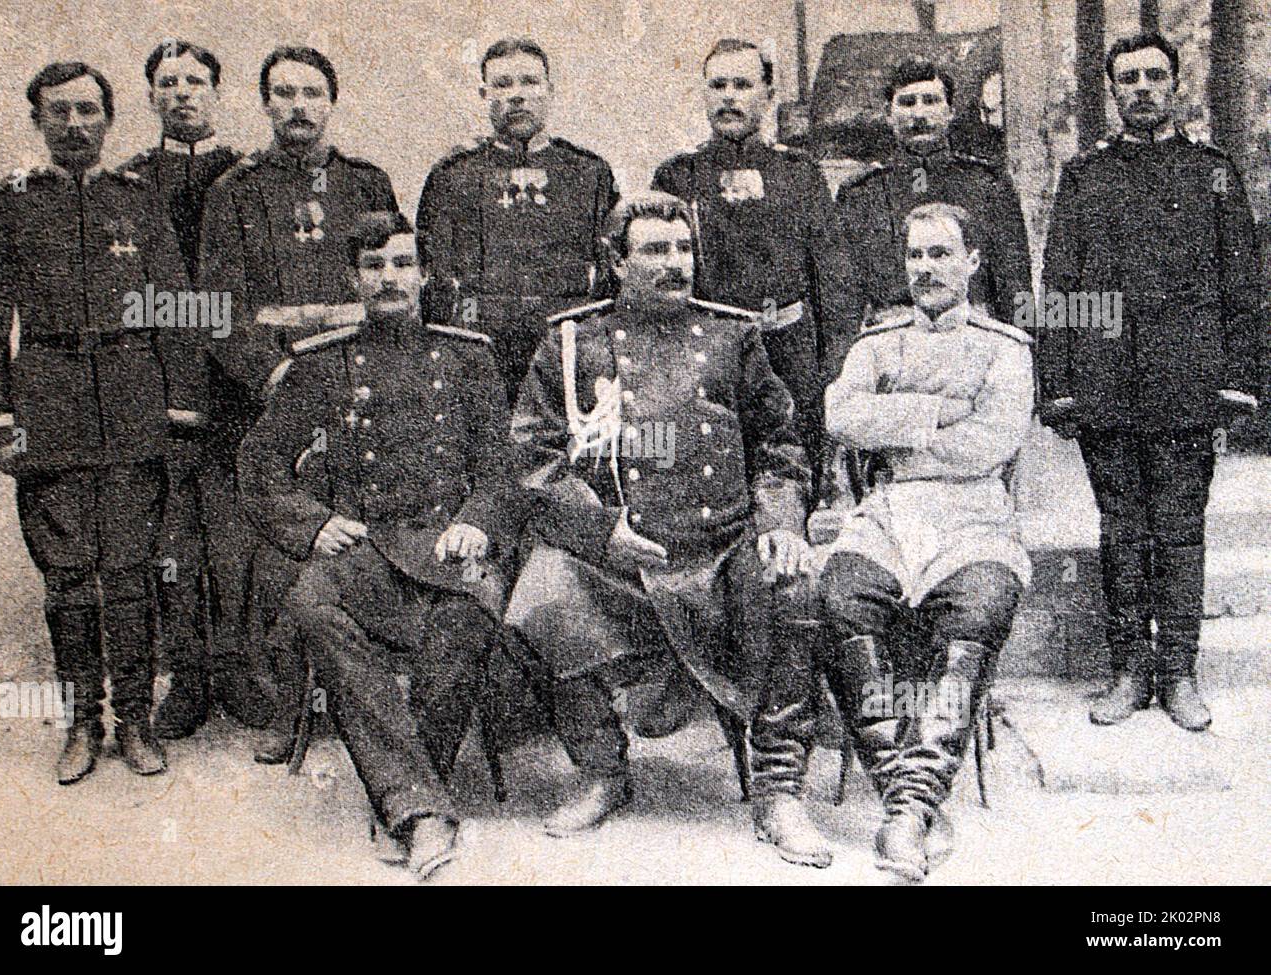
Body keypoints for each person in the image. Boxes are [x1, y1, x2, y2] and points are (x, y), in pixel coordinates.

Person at [505, 192, 818, 854]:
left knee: (791, 586)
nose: (675, 263)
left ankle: (779, 789)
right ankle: (602, 771)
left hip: (725, 547)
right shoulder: (571, 342)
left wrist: (782, 522)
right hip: (620, 556)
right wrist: (599, 531)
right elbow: (533, 461)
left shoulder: (734, 335)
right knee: (542, 588)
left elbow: (781, 447)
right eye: (654, 250)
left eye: (682, 248)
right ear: (616, 261)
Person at [759, 202, 1034, 881]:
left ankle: (907, 808)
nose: (926, 269)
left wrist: (899, 432)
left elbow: (992, 441)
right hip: (885, 513)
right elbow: (841, 415)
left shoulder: (1006, 349)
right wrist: (941, 412)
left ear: (973, 262)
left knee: (980, 606)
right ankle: (905, 798)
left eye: (941, 254)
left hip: (974, 518)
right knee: (839, 597)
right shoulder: (875, 344)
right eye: (915, 256)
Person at [239, 211, 512, 879]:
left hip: (448, 545)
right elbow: (259, 461)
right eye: (373, 265)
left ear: (424, 275)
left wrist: (477, 518)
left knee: (469, 614)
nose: (389, 278)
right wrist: (310, 524)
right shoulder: (321, 365)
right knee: (313, 606)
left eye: (401, 263)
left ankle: (407, 801)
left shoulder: (468, 356)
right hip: (363, 550)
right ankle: (421, 809)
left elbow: (505, 468)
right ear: (353, 278)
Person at [0, 62, 194, 782]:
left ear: (109, 118)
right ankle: (80, 724)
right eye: (59, 111)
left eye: (89, 110)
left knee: (130, 569)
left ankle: (134, 721)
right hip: (48, 400)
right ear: (36, 119)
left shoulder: (139, 198)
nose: (75, 124)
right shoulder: (9, 205)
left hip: (132, 397)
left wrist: (181, 405)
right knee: (66, 576)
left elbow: (177, 308)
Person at [1038, 32, 1262, 731]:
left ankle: (1181, 674)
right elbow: (1061, 284)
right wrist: (1060, 383)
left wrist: (1238, 380)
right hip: (1106, 381)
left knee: (1180, 531)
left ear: (1175, 86)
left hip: (1186, 382)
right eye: (1128, 78)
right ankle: (1129, 670)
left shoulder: (1213, 172)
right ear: (1111, 92)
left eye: (1154, 76)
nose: (1141, 88)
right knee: (1121, 531)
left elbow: (1243, 286)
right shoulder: (1085, 176)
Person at [197, 46, 400, 759]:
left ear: (332, 101)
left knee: (362, 537)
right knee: (281, 547)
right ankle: (291, 704)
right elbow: (214, 306)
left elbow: (393, 282)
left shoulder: (365, 181)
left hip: (357, 390)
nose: (298, 106)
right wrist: (274, 375)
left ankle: (366, 697)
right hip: (276, 392)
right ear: (264, 105)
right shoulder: (235, 189)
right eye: (282, 93)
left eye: (312, 92)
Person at [117, 39, 261, 738]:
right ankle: (188, 678)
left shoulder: (248, 177)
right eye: (167, 83)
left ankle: (241, 669)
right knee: (172, 541)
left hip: (235, 387)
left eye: (195, 81)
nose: (182, 93)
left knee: (235, 537)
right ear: (149, 97)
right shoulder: (129, 183)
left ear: (216, 92)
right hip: (158, 386)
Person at [653, 38, 838, 484]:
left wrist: (832, 365)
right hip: (710, 355)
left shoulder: (799, 173)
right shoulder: (678, 175)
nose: (730, 96)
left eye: (743, 84)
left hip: (789, 350)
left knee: (796, 473)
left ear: (769, 95)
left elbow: (833, 278)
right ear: (704, 94)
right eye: (718, 85)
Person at [416, 37, 619, 402]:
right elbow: (434, 280)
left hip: (566, 352)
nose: (517, 95)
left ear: (549, 89)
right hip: (481, 353)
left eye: (529, 82)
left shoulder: (589, 173)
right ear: (484, 93)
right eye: (503, 84)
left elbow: (611, 278)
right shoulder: (453, 175)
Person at [828, 56, 1030, 379]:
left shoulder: (988, 184)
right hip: (892, 351)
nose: (919, 114)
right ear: (888, 115)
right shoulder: (861, 193)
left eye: (931, 101)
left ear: (951, 111)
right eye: (907, 103)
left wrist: (1022, 363)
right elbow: (842, 297)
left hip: (973, 348)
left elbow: (1014, 283)